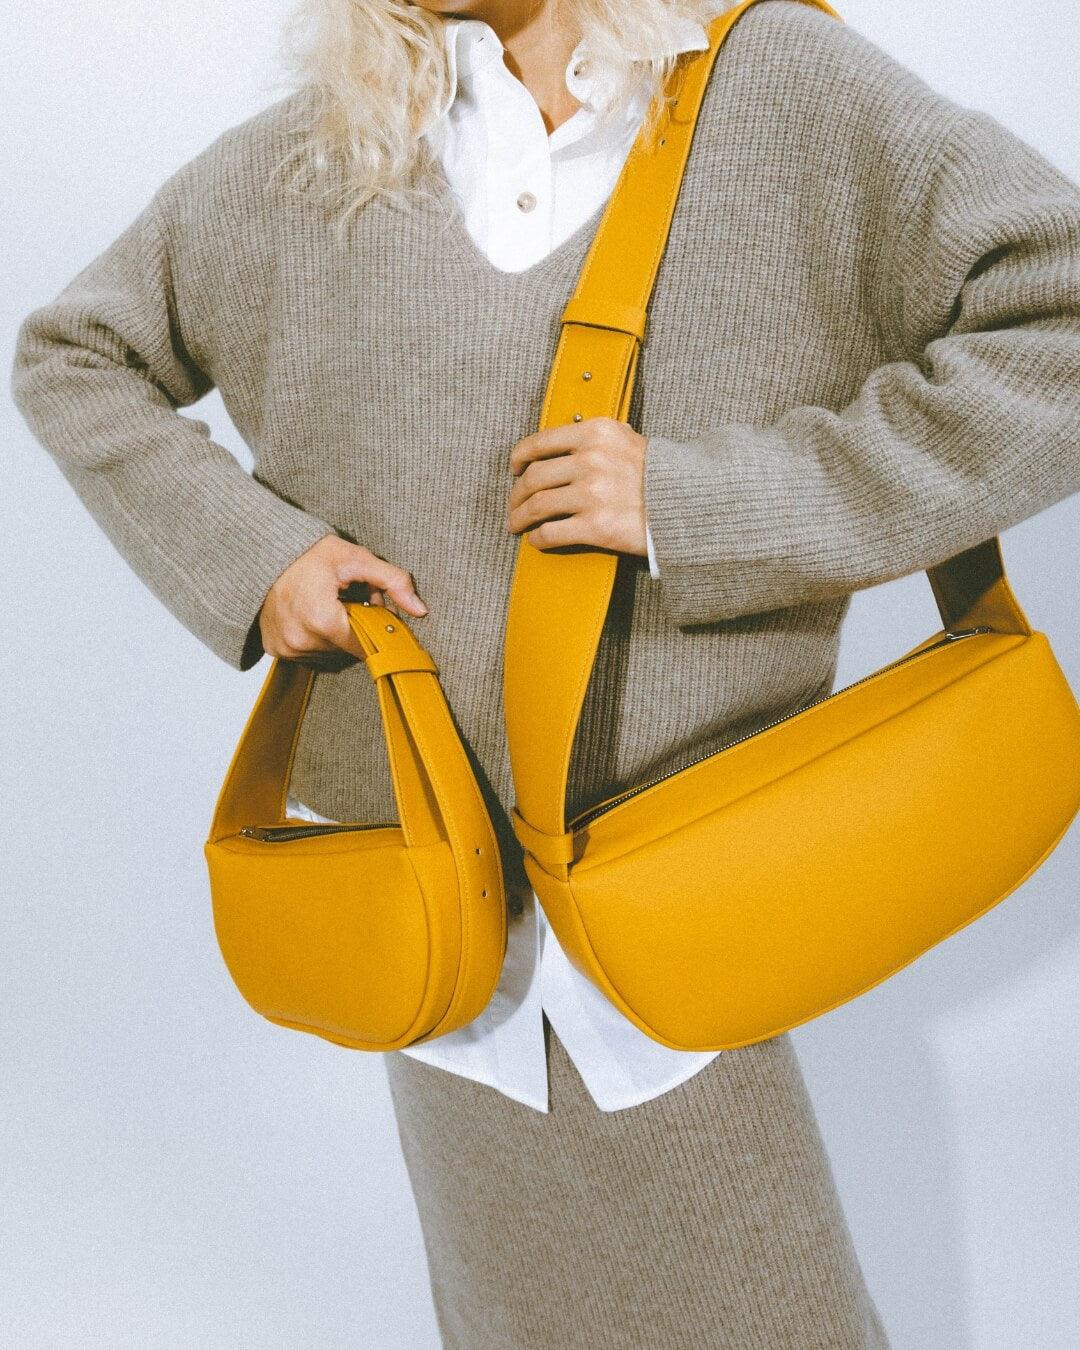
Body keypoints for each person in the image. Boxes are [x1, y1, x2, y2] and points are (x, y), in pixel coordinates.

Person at [11, 0, 1080, 1344]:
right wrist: (258, 558)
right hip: (442, 933)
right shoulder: (326, 150)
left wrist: (703, 504)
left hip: (700, 903)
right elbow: (75, 353)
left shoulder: (773, 88)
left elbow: (1061, 318)